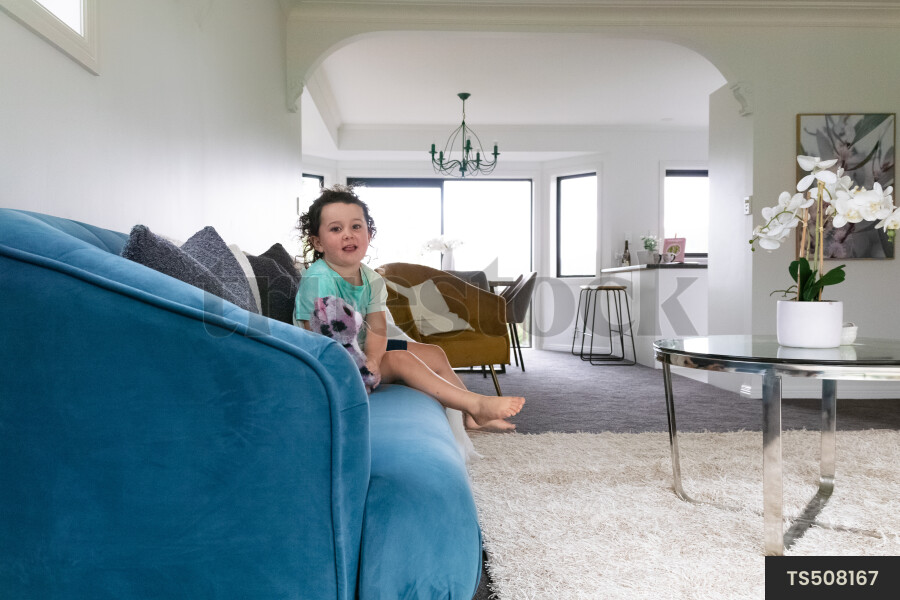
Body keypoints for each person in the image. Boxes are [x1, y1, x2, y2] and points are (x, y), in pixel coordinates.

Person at [294, 185, 523, 431]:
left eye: (356, 226)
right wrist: (365, 366)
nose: (348, 235)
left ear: (369, 234)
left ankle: (469, 415)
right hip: (329, 362)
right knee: (401, 359)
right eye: (336, 229)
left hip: (360, 351)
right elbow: (319, 339)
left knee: (435, 353)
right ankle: (476, 404)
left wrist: (373, 357)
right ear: (317, 242)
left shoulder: (371, 279)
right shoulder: (318, 280)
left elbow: (378, 326)